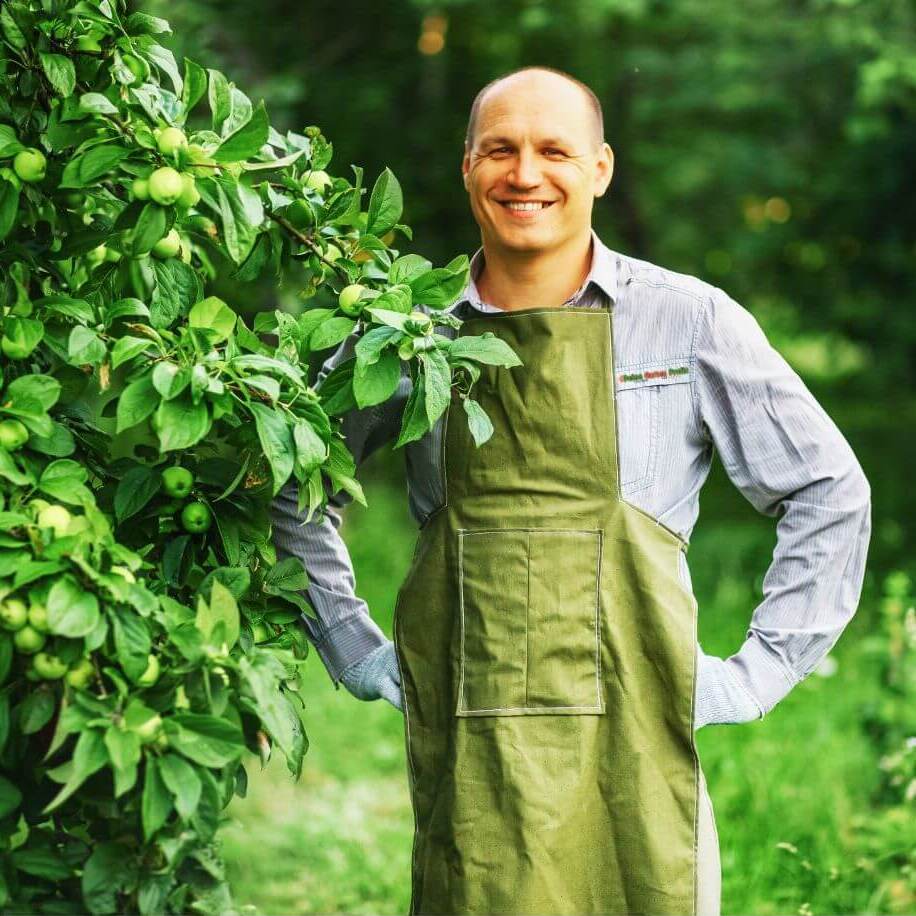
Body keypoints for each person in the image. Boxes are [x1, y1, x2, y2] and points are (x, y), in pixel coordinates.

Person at [271, 66, 871, 916]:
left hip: (639, 751)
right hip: (473, 761)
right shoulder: (403, 333)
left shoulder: (688, 321)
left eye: (554, 150)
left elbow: (828, 490)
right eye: (499, 150)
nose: (525, 174)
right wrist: (353, 646)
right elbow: (292, 476)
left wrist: (761, 670)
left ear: (600, 168)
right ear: (467, 166)